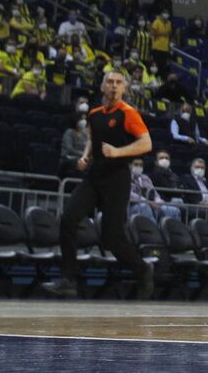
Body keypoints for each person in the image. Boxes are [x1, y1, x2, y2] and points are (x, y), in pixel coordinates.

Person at [41, 70, 155, 299]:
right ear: (102, 87)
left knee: (112, 238)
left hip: (117, 178)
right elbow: (93, 139)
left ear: (124, 89)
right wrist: (85, 156)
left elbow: (146, 144)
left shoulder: (128, 113)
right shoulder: (94, 114)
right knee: (68, 217)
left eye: (118, 83)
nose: (114, 86)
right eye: (109, 82)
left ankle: (143, 269)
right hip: (95, 176)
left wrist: (118, 152)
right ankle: (68, 279)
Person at [59, 110, 88, 177]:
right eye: (82, 119)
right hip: (67, 159)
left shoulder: (85, 135)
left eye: (85, 119)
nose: (84, 121)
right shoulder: (69, 132)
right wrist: (83, 154)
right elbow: (69, 149)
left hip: (81, 159)